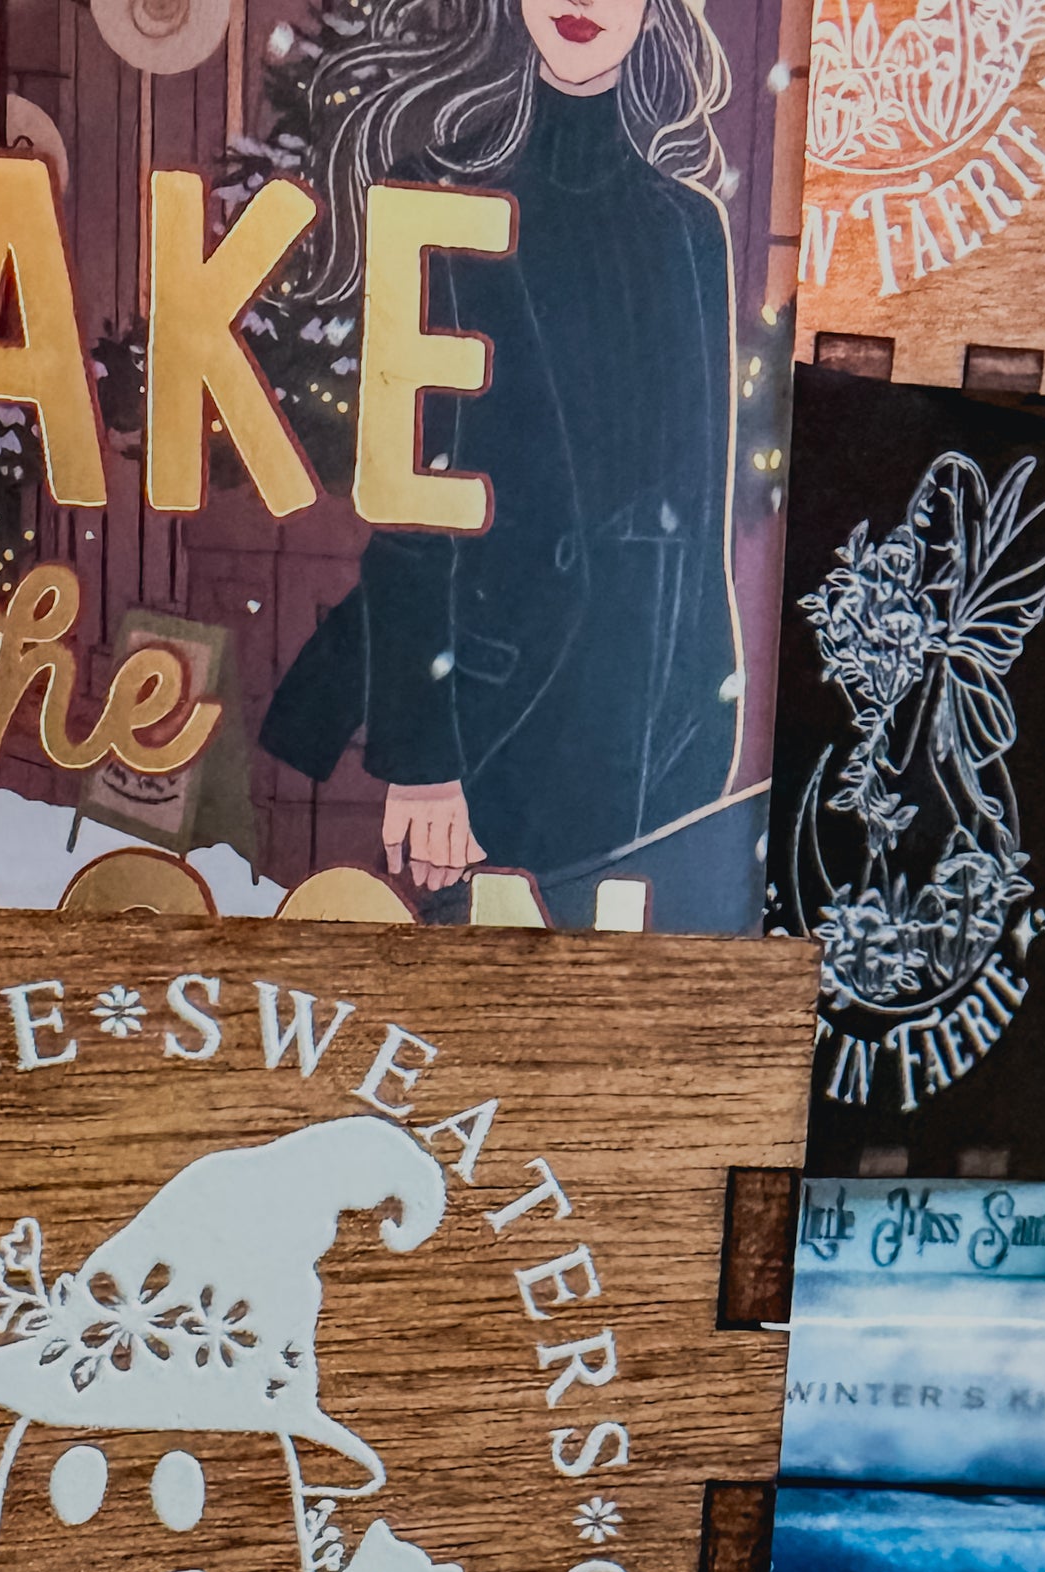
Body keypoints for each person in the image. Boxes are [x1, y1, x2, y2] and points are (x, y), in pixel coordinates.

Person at [259, 0, 746, 928]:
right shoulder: (436, 205)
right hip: (489, 723)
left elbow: (702, 508)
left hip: (644, 720)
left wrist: (703, 725)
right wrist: (422, 753)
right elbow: (413, 513)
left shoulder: (689, 229)